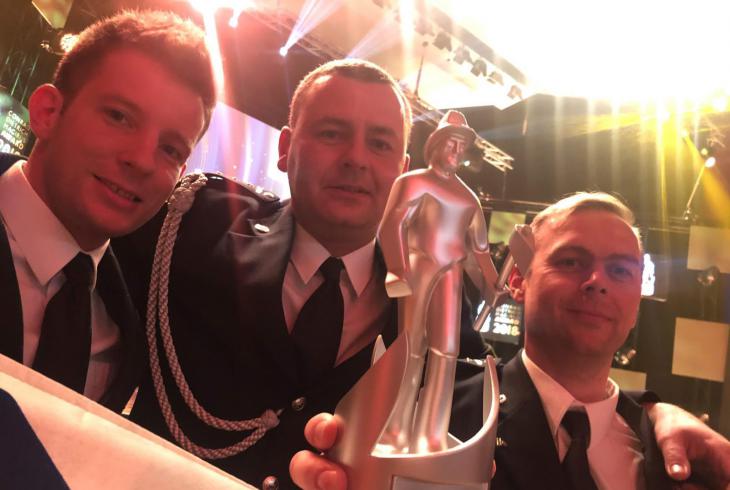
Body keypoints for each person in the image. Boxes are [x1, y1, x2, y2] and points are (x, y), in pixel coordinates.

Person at [113, 58, 486, 489]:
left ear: (403, 171)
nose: (356, 159)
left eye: (380, 144)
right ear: (286, 148)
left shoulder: (433, 294)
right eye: (332, 134)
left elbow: (461, 412)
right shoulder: (195, 225)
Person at [289, 192, 730, 490]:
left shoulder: (681, 456)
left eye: (620, 270)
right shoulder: (427, 414)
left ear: (636, 299)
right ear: (518, 280)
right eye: (570, 261)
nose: (597, 281)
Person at [0, 9, 215, 411]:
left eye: (170, 149)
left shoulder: (126, 328)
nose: (143, 160)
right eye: (119, 117)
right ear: (48, 112)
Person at [376, 109, 499, 454]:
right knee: (411, 346)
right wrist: (397, 268)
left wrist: (493, 283)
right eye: (452, 143)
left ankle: (431, 433)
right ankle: (395, 429)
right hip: (420, 266)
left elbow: (480, 250)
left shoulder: (468, 198)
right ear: (436, 144)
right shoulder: (414, 182)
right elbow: (392, 225)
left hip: (450, 273)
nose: (457, 151)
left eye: (462, 146)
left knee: (447, 350)